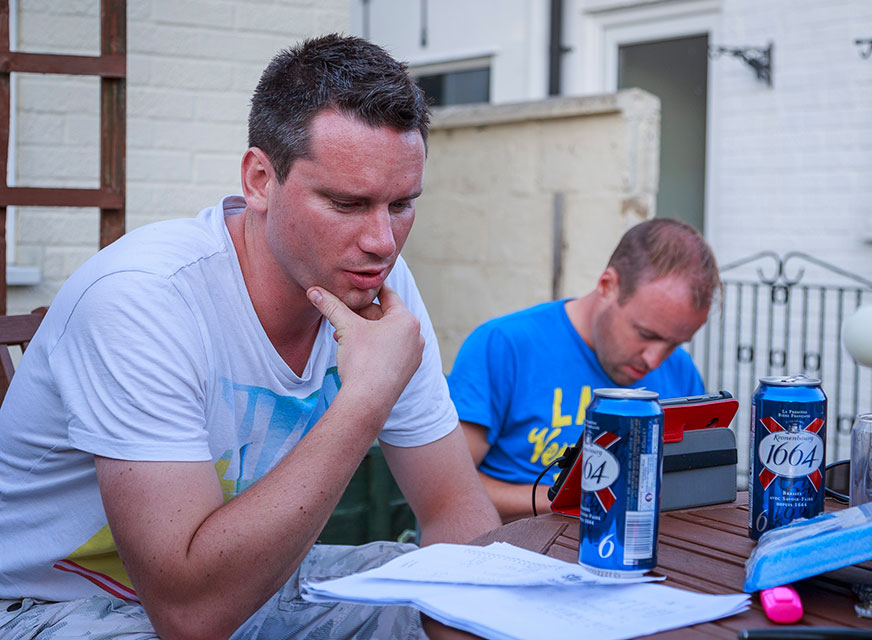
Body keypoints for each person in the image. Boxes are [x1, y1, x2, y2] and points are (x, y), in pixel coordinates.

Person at [0, 35, 500, 640]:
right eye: (347, 203)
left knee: (452, 591)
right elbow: (190, 619)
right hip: (50, 607)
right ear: (260, 180)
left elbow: (456, 516)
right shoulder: (144, 298)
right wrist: (365, 400)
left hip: (253, 584)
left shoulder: (379, 285)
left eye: (401, 205)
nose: (381, 242)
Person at [447, 219, 720, 522]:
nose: (655, 360)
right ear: (607, 286)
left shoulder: (681, 370)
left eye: (674, 343)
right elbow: (446, 489)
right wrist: (575, 499)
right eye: (646, 334)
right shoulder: (503, 345)